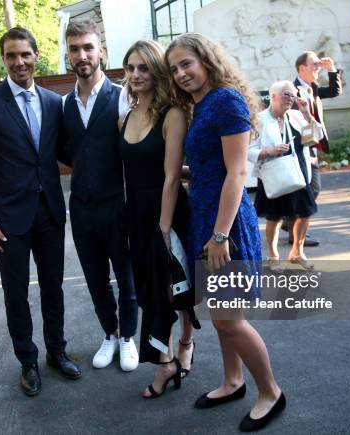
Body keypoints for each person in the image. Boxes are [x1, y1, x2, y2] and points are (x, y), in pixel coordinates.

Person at [166, 33, 285, 432]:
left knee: (230, 318)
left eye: (187, 63)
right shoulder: (199, 106)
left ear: (206, 60)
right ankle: (233, 381)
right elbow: (210, 167)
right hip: (206, 220)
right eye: (175, 68)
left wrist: (219, 235)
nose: (181, 73)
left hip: (226, 226)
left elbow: (237, 172)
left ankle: (270, 392)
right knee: (221, 315)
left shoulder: (226, 101)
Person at [0, 26, 81, 397]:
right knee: (16, 293)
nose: (19, 62)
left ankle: (57, 351)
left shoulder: (54, 102)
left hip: (49, 212)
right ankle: (27, 361)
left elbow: (66, 153)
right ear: (4, 59)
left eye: (25, 54)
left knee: (54, 289)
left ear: (36, 57)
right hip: (7, 221)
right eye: (11, 56)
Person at [59, 17, 139, 372]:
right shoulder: (64, 105)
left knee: (126, 278)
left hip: (118, 205)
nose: (82, 55)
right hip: (81, 208)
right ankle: (110, 333)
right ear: (68, 54)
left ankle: (128, 338)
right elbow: (66, 150)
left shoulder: (123, 96)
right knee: (95, 279)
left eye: (88, 47)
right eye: (75, 49)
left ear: (101, 52)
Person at [119, 40, 197, 397]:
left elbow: (170, 177)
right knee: (150, 289)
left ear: (156, 72)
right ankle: (167, 360)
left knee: (173, 287)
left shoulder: (173, 115)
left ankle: (181, 347)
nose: (135, 75)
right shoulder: (124, 118)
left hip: (167, 214)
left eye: (143, 68)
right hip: (135, 214)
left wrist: (164, 229)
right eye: (130, 68)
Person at [250, 81, 320, 272]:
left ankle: (297, 252)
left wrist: (307, 114)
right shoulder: (260, 120)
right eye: (286, 95)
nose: (291, 99)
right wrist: (268, 151)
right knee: (274, 217)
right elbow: (248, 150)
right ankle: (273, 255)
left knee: (305, 213)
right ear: (273, 97)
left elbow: (316, 136)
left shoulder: (297, 116)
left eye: (293, 95)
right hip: (273, 176)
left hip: (299, 173)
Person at [282, 50, 342, 247]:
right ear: (302, 68)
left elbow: (334, 91)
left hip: (312, 147)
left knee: (310, 188)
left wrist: (332, 70)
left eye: (318, 64)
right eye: (314, 64)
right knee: (309, 188)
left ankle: (290, 221)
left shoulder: (312, 87)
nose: (318, 68)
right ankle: (294, 229)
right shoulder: (292, 89)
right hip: (300, 148)